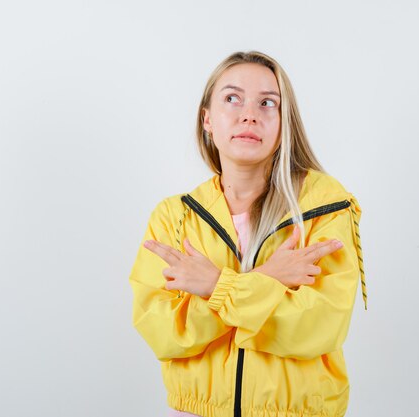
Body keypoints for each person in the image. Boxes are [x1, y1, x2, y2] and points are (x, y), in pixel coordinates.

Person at [129, 50, 367, 417]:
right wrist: (266, 279)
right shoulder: (174, 216)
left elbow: (319, 325)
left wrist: (214, 287)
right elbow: (163, 332)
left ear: (284, 121)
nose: (249, 114)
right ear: (207, 119)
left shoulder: (324, 205)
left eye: (267, 103)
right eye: (232, 98)